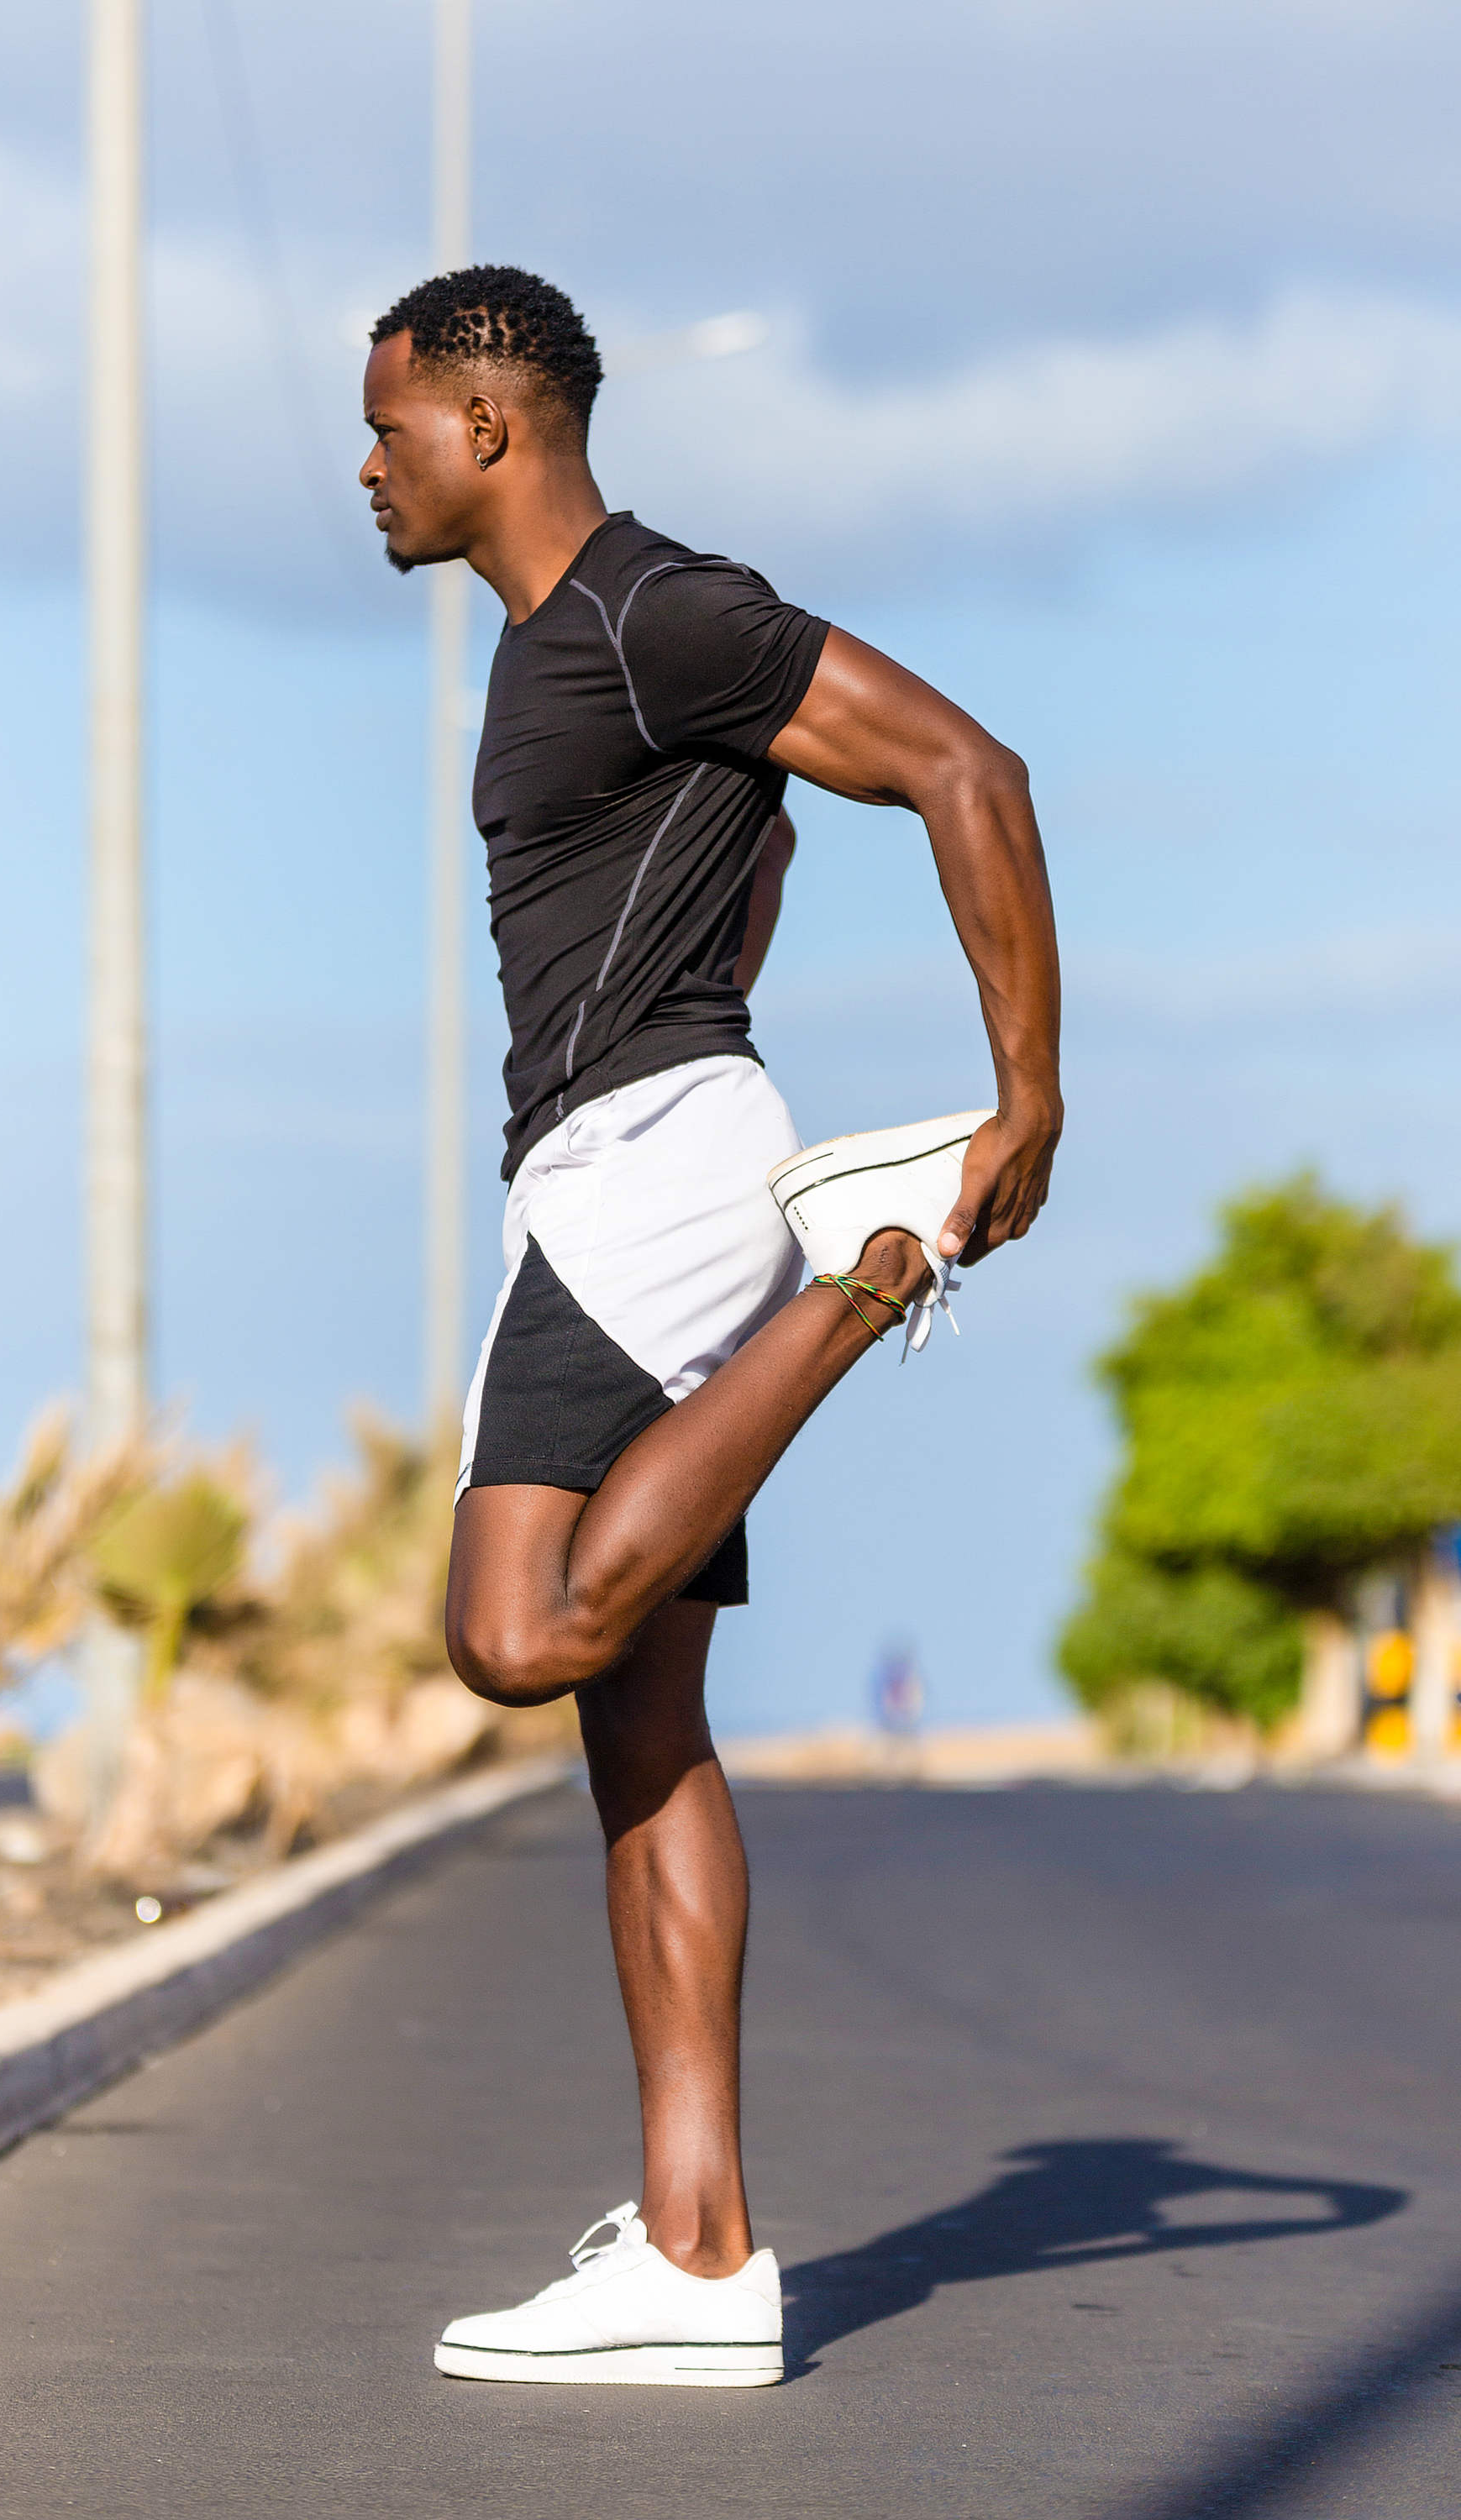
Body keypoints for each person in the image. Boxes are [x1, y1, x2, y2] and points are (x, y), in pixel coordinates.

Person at [359, 267, 1062, 2387]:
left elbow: (963, 761)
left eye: (387, 428)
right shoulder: (558, 653)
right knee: (641, 1733)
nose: (365, 470)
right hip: (619, 1164)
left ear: (490, 427)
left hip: (649, 1169)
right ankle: (697, 2257)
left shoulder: (659, 612)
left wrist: (1021, 1096)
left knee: (517, 1627)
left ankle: (875, 1264)